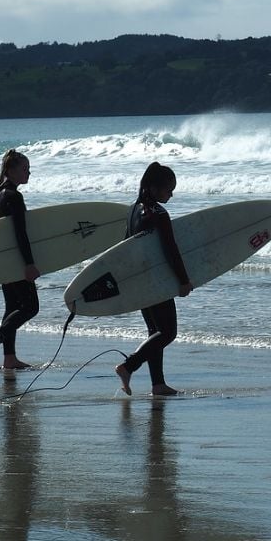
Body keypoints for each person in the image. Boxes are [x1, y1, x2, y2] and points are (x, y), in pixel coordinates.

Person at [115, 162, 193, 396]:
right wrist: (183, 280)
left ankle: (157, 384)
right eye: (168, 188)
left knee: (154, 332)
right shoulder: (158, 213)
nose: (171, 193)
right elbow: (170, 249)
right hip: (156, 281)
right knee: (168, 333)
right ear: (153, 187)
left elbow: (124, 248)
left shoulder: (132, 211)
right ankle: (128, 366)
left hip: (140, 280)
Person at [0, 149, 41, 370]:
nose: (29, 173)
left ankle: (9, 358)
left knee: (12, 307)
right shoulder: (14, 196)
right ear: (11, 170)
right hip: (16, 261)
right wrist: (29, 263)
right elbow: (19, 233)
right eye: (25, 169)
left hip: (5, 260)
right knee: (31, 307)